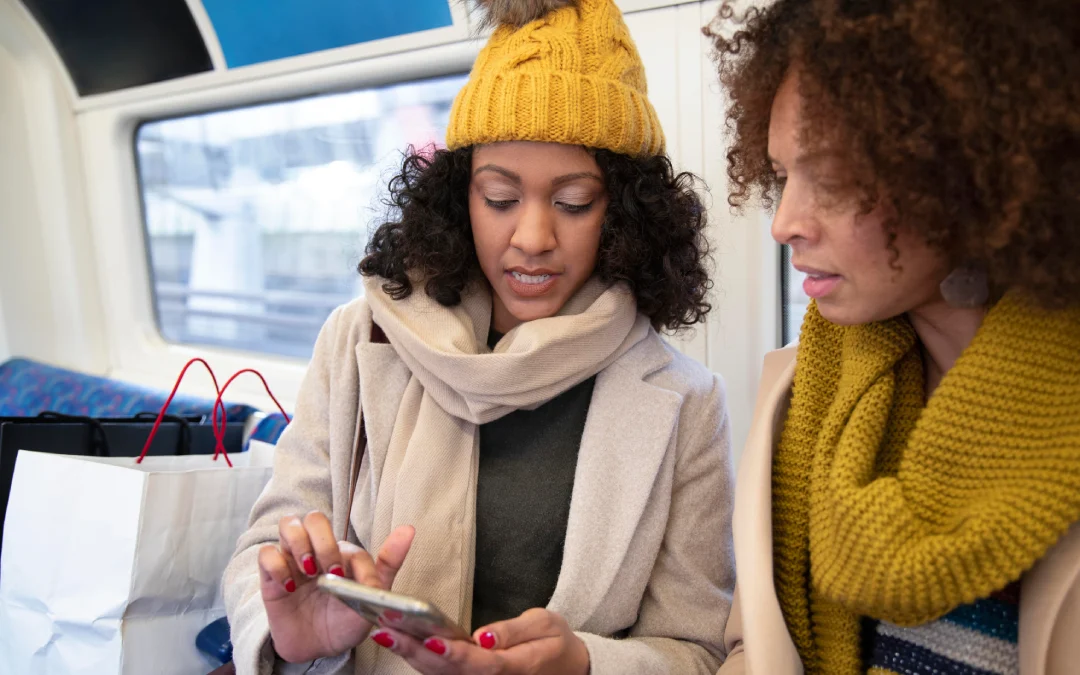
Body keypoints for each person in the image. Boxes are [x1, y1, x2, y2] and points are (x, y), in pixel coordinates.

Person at [224, 1, 737, 673]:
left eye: (574, 202)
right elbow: (264, 545)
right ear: (457, 197)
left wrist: (586, 664)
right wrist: (291, 635)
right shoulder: (358, 344)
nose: (531, 238)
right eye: (499, 198)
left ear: (626, 213)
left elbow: (695, 649)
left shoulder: (687, 402)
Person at [705, 0, 1080, 673]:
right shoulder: (798, 399)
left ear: (969, 168)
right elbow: (750, 648)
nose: (784, 221)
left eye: (835, 178)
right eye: (784, 175)